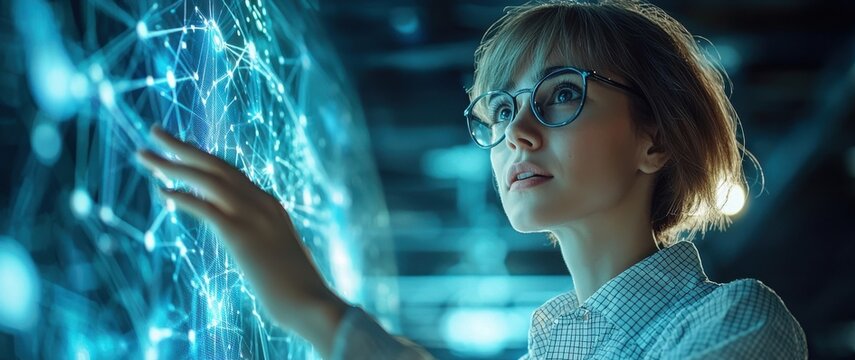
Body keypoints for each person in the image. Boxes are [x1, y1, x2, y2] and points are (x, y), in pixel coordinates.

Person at [136, 0, 808, 358]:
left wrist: (324, 316)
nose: (516, 133)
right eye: (501, 108)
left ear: (653, 139)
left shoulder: (735, 323)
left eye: (561, 95)